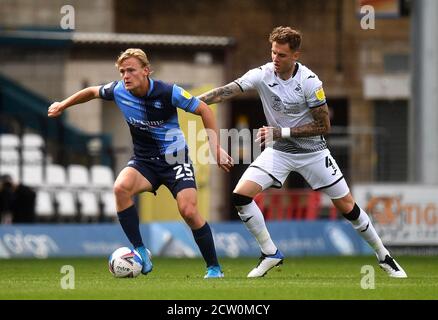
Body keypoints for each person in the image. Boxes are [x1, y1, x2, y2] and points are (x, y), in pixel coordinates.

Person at [198, 26, 407, 278]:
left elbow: (323, 126)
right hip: (279, 152)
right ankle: (270, 253)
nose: (275, 59)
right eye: (273, 52)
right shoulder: (262, 74)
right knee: (241, 196)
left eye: (282, 55)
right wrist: (188, 100)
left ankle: (384, 256)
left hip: (313, 153)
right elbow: (225, 91)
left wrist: (281, 132)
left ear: (295, 56)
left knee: (348, 207)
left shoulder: (310, 82)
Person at [48, 48, 233, 278]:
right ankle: (140, 249)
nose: (126, 76)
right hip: (145, 160)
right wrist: (63, 105)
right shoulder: (118, 91)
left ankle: (214, 267)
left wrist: (215, 148)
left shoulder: (169, 92)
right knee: (120, 188)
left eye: (131, 70)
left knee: (188, 211)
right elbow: (92, 91)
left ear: (146, 71)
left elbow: (204, 110)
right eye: (122, 71)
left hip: (174, 160)